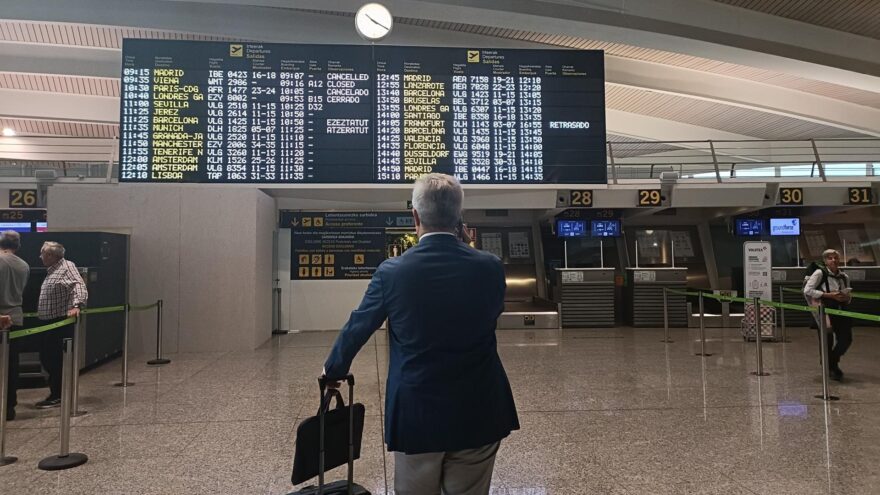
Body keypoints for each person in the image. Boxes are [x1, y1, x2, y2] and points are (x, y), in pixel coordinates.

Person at [323, 173, 519, 495]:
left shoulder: (392, 272)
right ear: (459, 218)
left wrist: (334, 369)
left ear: (415, 216)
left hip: (418, 413)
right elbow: (491, 313)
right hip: (480, 408)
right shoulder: (491, 266)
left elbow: (359, 325)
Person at [36, 241, 88, 408]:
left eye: (42, 253)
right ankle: (56, 392)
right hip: (48, 323)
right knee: (47, 358)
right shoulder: (53, 271)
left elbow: (78, 285)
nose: (40, 257)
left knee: (55, 359)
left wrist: (76, 305)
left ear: (51, 255)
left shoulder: (66, 267)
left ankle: (58, 394)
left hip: (58, 323)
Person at [804, 248, 852, 381]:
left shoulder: (844, 276)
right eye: (830, 258)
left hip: (841, 309)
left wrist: (845, 298)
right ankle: (831, 367)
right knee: (827, 340)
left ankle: (831, 361)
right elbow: (808, 290)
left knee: (846, 339)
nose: (834, 260)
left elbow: (849, 294)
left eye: (836, 258)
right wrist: (828, 295)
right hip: (825, 309)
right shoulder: (820, 273)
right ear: (825, 261)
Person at [0, 230, 30, 420]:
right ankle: (9, 406)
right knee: (10, 365)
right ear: (18, 246)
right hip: (16, 317)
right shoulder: (24, 265)